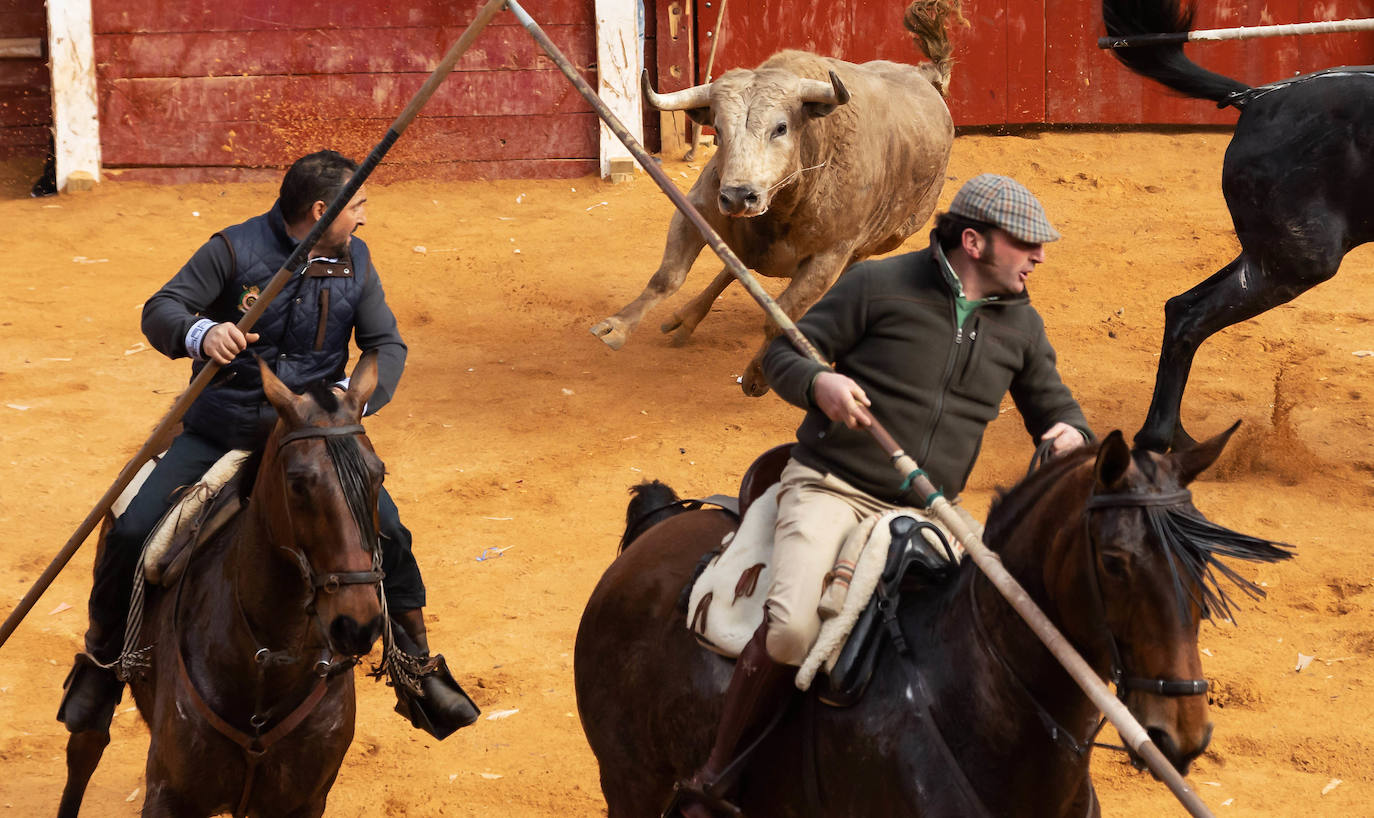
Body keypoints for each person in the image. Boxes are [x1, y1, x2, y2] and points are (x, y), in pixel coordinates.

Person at [674, 174, 1095, 816]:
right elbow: (785, 353)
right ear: (976, 242)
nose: (1039, 256)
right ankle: (717, 777)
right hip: (832, 488)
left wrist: (1068, 431)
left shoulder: (1022, 326)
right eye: (1027, 244)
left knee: (978, 638)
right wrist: (820, 384)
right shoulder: (880, 285)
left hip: (930, 513)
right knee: (789, 630)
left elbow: (1053, 405)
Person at [57, 150, 478, 740]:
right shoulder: (233, 249)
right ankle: (103, 667)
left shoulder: (356, 260)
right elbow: (162, 310)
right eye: (357, 206)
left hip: (311, 440)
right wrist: (204, 333)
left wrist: (339, 403)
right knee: (131, 532)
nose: (364, 217)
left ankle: (415, 665)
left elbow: (387, 346)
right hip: (222, 431)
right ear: (321, 209)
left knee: (389, 530)